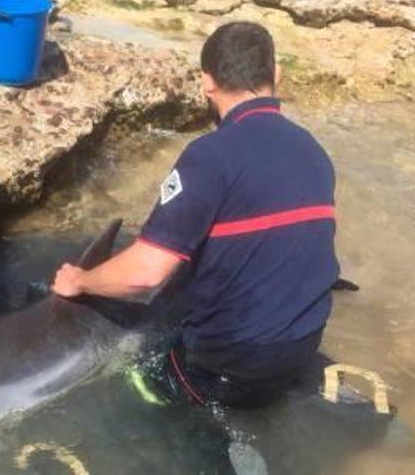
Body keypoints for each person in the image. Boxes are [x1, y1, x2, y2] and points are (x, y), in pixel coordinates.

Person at [52, 21, 339, 409]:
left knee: (139, 387)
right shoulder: (313, 150)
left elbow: (145, 273)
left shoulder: (209, 156)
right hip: (305, 341)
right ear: (276, 75)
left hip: (231, 363)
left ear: (207, 82)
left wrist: (80, 281)